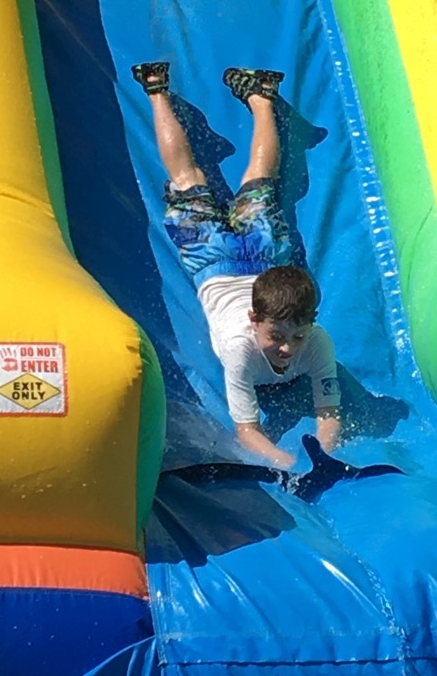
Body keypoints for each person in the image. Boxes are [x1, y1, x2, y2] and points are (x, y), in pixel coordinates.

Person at [132, 59, 341, 472]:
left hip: (252, 257)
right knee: (206, 178)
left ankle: (256, 97)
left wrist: (322, 455)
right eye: (277, 335)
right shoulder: (241, 350)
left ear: (311, 324)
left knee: (234, 180)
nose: (288, 347)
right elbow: (247, 431)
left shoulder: (317, 341)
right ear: (253, 319)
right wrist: (295, 464)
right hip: (223, 259)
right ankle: (162, 92)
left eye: (298, 335)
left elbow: (329, 416)